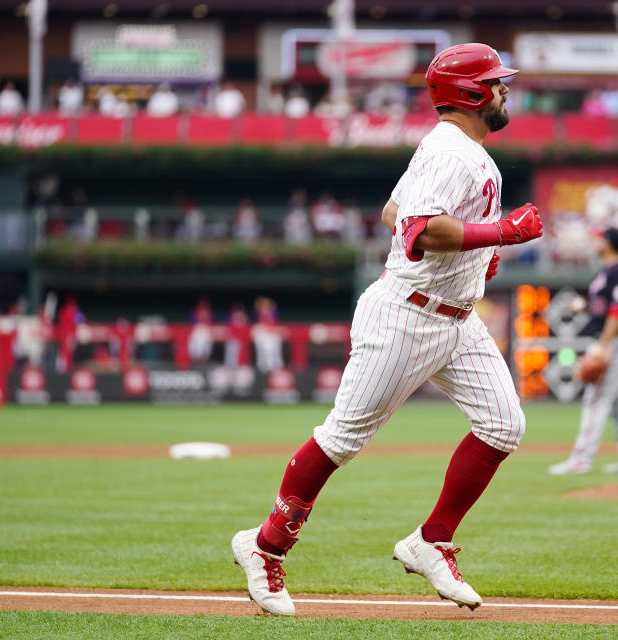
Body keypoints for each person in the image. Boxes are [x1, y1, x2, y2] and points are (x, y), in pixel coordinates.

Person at [231, 42, 543, 616]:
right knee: (342, 439)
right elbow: (418, 231)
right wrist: (499, 233)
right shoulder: (456, 154)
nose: (505, 90)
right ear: (470, 93)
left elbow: (392, 213)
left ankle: (431, 541)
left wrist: (472, 253)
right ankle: (264, 545)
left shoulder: (450, 147)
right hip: (408, 313)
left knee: (503, 425)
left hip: (454, 314)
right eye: (496, 82)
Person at [549, 227, 618, 475]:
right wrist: (585, 306)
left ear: (610, 243)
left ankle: (581, 459)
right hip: (616, 340)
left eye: (600, 237)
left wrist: (603, 346)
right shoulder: (607, 272)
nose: (595, 240)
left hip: (617, 341)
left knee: (596, 398)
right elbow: (605, 306)